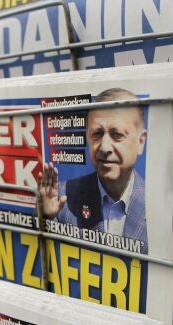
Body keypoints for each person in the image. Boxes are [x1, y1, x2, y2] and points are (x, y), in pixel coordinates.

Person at [38, 88, 147, 249]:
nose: (104, 147)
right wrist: (45, 218)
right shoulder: (61, 198)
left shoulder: (158, 206)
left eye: (117, 134)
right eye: (97, 134)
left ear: (140, 142)